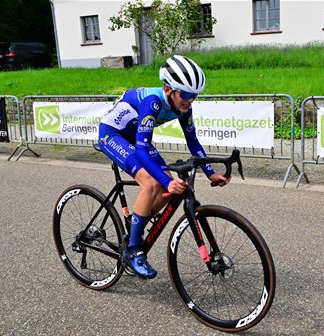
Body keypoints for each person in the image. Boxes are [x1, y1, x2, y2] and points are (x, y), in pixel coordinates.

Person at [98, 55, 229, 279]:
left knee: (170, 189)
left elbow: (193, 142)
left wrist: (210, 173)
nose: (190, 101)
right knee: (151, 184)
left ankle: (138, 222)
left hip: (135, 138)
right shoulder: (153, 102)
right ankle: (133, 250)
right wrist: (166, 180)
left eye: (194, 96)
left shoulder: (184, 108)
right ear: (168, 89)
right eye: (186, 95)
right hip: (113, 135)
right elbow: (142, 149)